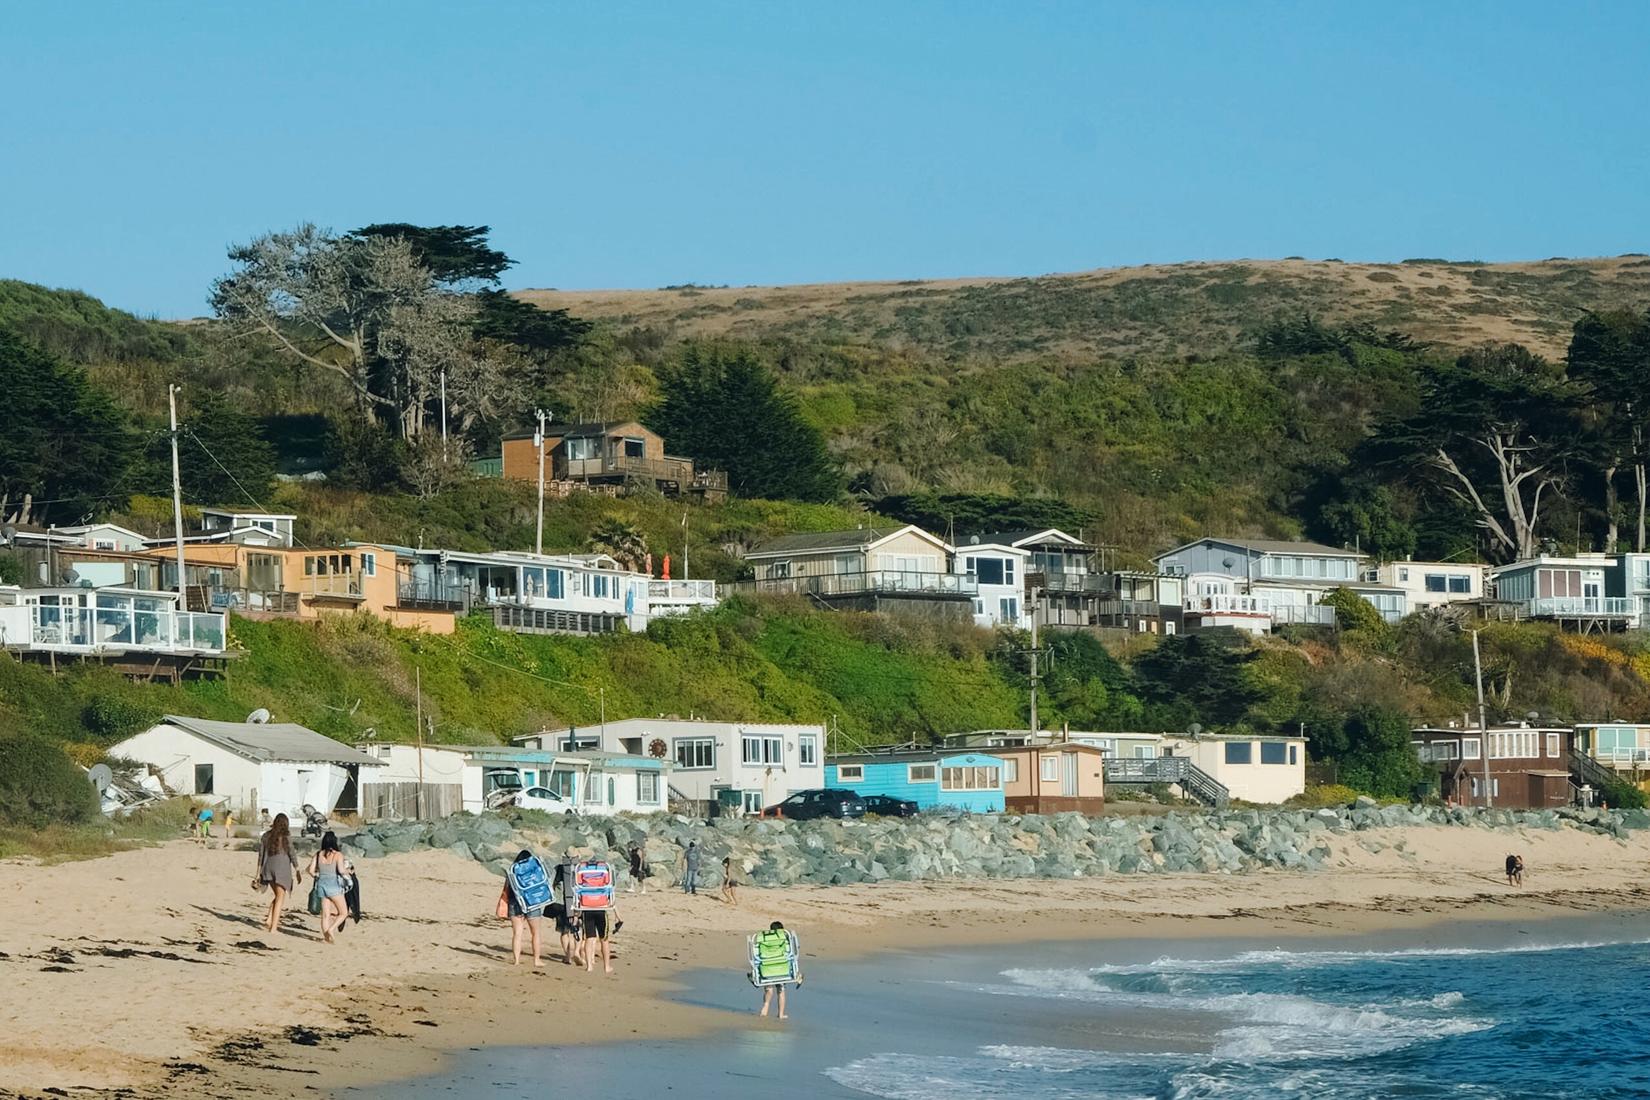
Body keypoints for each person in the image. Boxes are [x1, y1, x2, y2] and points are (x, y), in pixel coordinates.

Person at [502, 849, 549, 967]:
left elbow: (507, 887)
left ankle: (516, 960)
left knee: (517, 933)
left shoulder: (513, 869)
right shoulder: (533, 869)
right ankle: (536, 960)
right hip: (532, 901)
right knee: (535, 933)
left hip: (515, 902)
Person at [256, 813, 300, 936]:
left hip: (268, 868)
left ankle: (269, 919)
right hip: (282, 869)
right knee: (280, 897)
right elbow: (292, 853)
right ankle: (273, 928)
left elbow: (260, 855)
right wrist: (297, 869)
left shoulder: (266, 836)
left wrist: (257, 873)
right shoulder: (286, 836)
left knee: (277, 895)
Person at [310, 831, 351, 943]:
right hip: (334, 887)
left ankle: (326, 938)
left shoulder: (318, 854)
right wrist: (349, 871)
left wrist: (317, 875)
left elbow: (311, 871)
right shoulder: (338, 855)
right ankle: (331, 929)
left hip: (322, 886)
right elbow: (342, 871)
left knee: (325, 915)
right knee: (343, 913)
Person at [755, 921, 799, 1019]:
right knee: (781, 990)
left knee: (769, 989)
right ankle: (781, 1014)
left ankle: (765, 1006)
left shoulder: (763, 939)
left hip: (767, 968)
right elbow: (792, 955)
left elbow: (756, 955)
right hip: (781, 968)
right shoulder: (785, 939)